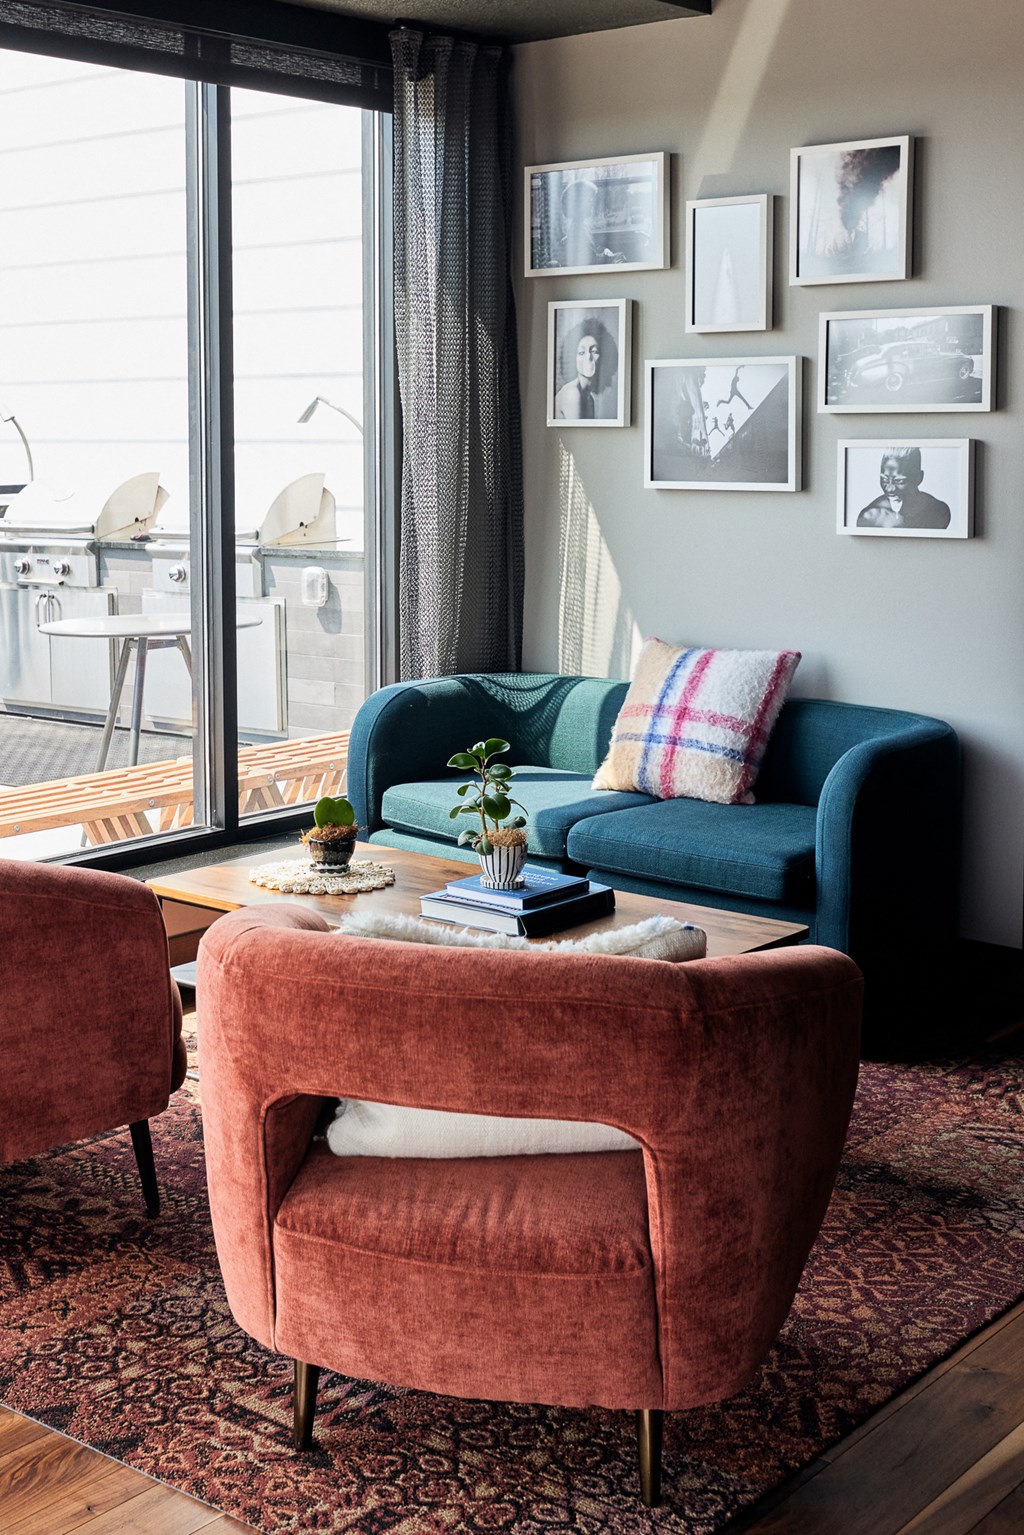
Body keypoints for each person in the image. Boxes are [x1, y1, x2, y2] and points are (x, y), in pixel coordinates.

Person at [856, 447, 951, 529]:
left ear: (919, 478)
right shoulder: (870, 516)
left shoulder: (938, 511)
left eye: (899, 481)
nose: (890, 489)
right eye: (884, 480)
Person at [553, 319, 617, 420]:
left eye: (594, 351)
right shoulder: (573, 394)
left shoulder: (589, 398)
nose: (588, 357)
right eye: (581, 352)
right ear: (573, 358)